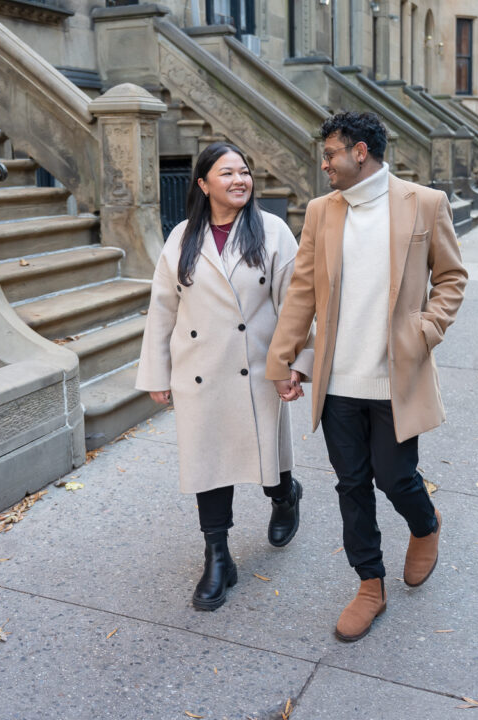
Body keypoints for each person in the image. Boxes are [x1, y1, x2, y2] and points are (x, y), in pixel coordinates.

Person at [266, 111, 467, 643]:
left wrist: (425, 330)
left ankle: (425, 525)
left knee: (396, 477)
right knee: (352, 484)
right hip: (338, 383)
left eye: (330, 154)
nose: (324, 164)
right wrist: (286, 360)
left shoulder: (423, 203)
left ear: (360, 151)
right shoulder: (320, 212)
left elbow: (451, 278)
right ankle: (370, 585)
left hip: (395, 379)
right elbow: (302, 292)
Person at [136, 142, 312, 611]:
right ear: (202, 184)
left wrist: (295, 365)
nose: (239, 180)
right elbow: (162, 309)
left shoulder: (272, 231)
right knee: (208, 463)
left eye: (245, 172)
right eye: (227, 173)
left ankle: (285, 494)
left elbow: (296, 305)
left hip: (258, 367)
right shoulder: (181, 237)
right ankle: (217, 556)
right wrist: (158, 370)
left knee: (266, 458)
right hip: (199, 371)